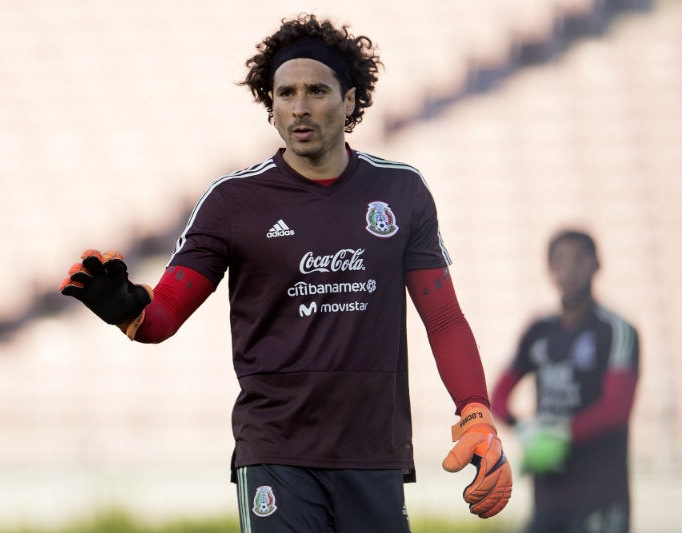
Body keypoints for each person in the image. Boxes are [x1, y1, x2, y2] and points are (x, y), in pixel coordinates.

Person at [60, 14, 511, 533]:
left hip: (374, 452)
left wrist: (475, 413)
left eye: (317, 90)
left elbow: (445, 319)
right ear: (269, 105)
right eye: (284, 93)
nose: (299, 107)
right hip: (277, 453)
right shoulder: (232, 202)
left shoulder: (402, 192)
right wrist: (125, 306)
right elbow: (159, 319)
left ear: (350, 100)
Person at [491, 229, 639, 533]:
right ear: (549, 269)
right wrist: (526, 429)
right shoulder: (538, 331)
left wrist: (561, 433)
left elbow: (617, 408)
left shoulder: (616, 330)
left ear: (597, 265)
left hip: (600, 495)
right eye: (560, 260)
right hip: (548, 498)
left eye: (579, 260)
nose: (569, 270)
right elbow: (499, 396)